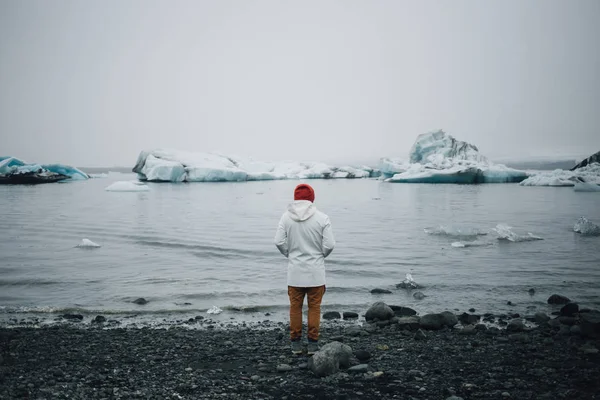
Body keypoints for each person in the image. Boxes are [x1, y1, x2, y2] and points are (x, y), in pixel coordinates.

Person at [274, 183, 335, 355]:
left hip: (295, 273)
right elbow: (330, 244)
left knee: (295, 308)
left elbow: (278, 241)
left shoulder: (286, 217)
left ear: (295, 198)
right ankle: (313, 344)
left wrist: (290, 254)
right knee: (314, 308)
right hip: (315, 273)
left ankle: (295, 345)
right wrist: (320, 255)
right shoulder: (322, 218)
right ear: (312, 198)